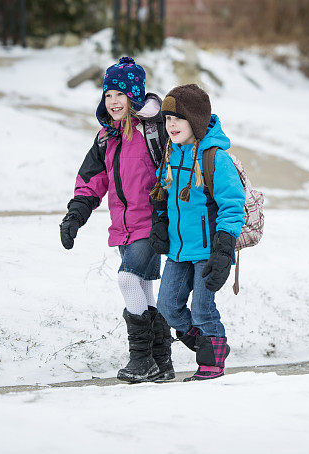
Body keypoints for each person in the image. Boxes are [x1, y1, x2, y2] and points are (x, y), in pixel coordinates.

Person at [59, 57, 174, 383]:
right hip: (123, 227)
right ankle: (161, 362)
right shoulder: (106, 138)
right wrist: (74, 216)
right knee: (143, 288)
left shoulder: (153, 132)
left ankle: (141, 361)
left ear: (134, 97)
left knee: (127, 279)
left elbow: (173, 171)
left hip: (153, 223)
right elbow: (92, 181)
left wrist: (169, 214)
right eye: (108, 95)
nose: (113, 102)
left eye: (119, 95)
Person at [149, 84, 245, 381]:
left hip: (209, 251)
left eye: (178, 118)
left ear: (197, 121)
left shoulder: (216, 158)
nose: (171, 125)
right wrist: (160, 222)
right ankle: (207, 344)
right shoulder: (171, 154)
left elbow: (232, 205)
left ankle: (212, 360)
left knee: (203, 309)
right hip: (178, 251)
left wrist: (224, 247)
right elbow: (162, 195)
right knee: (167, 306)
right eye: (167, 120)